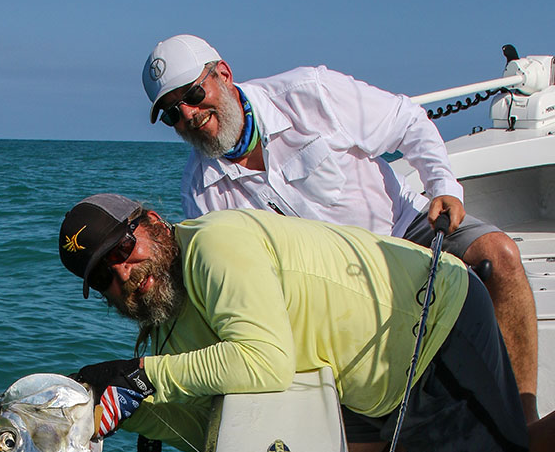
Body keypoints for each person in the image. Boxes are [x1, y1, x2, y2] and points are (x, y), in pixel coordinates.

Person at [58, 193, 555, 452]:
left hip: (426, 327)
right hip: (358, 374)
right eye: (104, 275)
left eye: (124, 248)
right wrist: (137, 408)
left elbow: (266, 362)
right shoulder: (167, 323)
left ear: (152, 224)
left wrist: (142, 376)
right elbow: (210, 420)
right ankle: (405, 438)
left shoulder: (214, 246)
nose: (124, 272)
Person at [141, 34, 539, 423]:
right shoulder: (200, 193)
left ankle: (524, 417)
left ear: (224, 75)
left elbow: (408, 122)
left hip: (403, 231)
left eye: (193, 95)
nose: (189, 115)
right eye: (173, 113)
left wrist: (443, 188)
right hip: (333, 297)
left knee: (498, 256)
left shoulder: (309, 92)